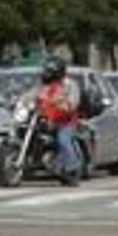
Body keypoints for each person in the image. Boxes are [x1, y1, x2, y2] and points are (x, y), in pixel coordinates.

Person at [32, 56, 83, 186]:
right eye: (47, 70)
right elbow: (31, 95)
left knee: (63, 139)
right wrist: (19, 101)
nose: (47, 73)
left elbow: (73, 102)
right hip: (45, 119)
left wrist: (63, 104)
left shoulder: (70, 85)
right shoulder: (43, 85)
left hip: (65, 121)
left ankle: (72, 168)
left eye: (50, 70)